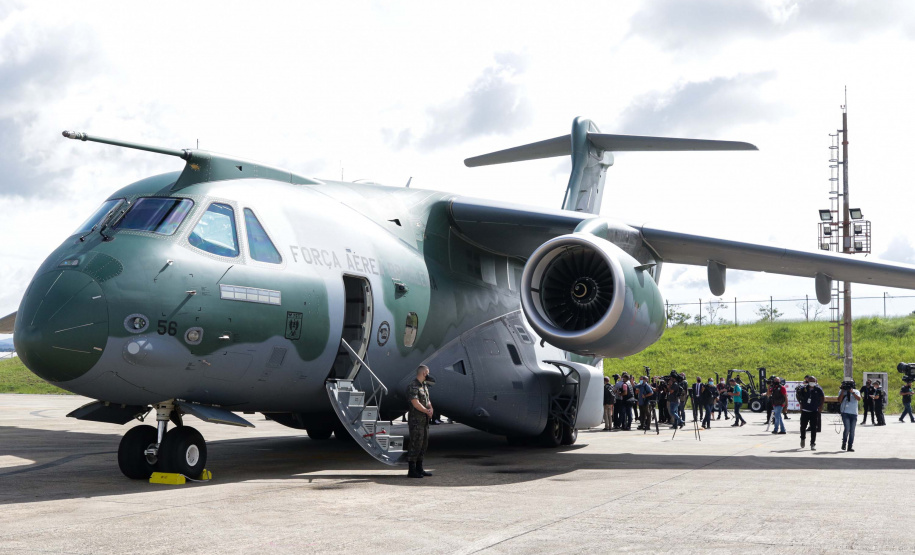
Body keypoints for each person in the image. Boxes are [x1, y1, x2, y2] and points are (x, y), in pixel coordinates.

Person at [406, 365, 434, 478]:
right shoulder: (413, 386)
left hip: (424, 420)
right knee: (415, 443)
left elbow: (427, 400)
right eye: (427, 372)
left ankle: (419, 468)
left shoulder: (424, 386)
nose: (428, 375)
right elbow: (415, 403)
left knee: (423, 444)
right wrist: (426, 411)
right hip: (416, 420)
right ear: (424, 373)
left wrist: (431, 408)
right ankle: (411, 470)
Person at [799, 377, 825, 450]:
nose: (812, 382)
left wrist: (820, 406)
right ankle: (803, 438)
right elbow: (799, 396)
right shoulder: (804, 389)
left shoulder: (818, 389)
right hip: (805, 410)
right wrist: (801, 404)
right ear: (808, 381)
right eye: (811, 381)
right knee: (803, 427)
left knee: (813, 428)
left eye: (813, 381)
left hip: (814, 411)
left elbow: (822, 397)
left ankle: (812, 443)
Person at [838, 381, 861, 452]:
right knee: (847, 429)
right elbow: (839, 400)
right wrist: (842, 391)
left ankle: (850, 446)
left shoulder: (856, 391)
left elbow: (859, 399)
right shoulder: (842, 391)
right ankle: (844, 443)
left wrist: (852, 392)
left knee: (852, 430)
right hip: (845, 412)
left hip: (854, 413)